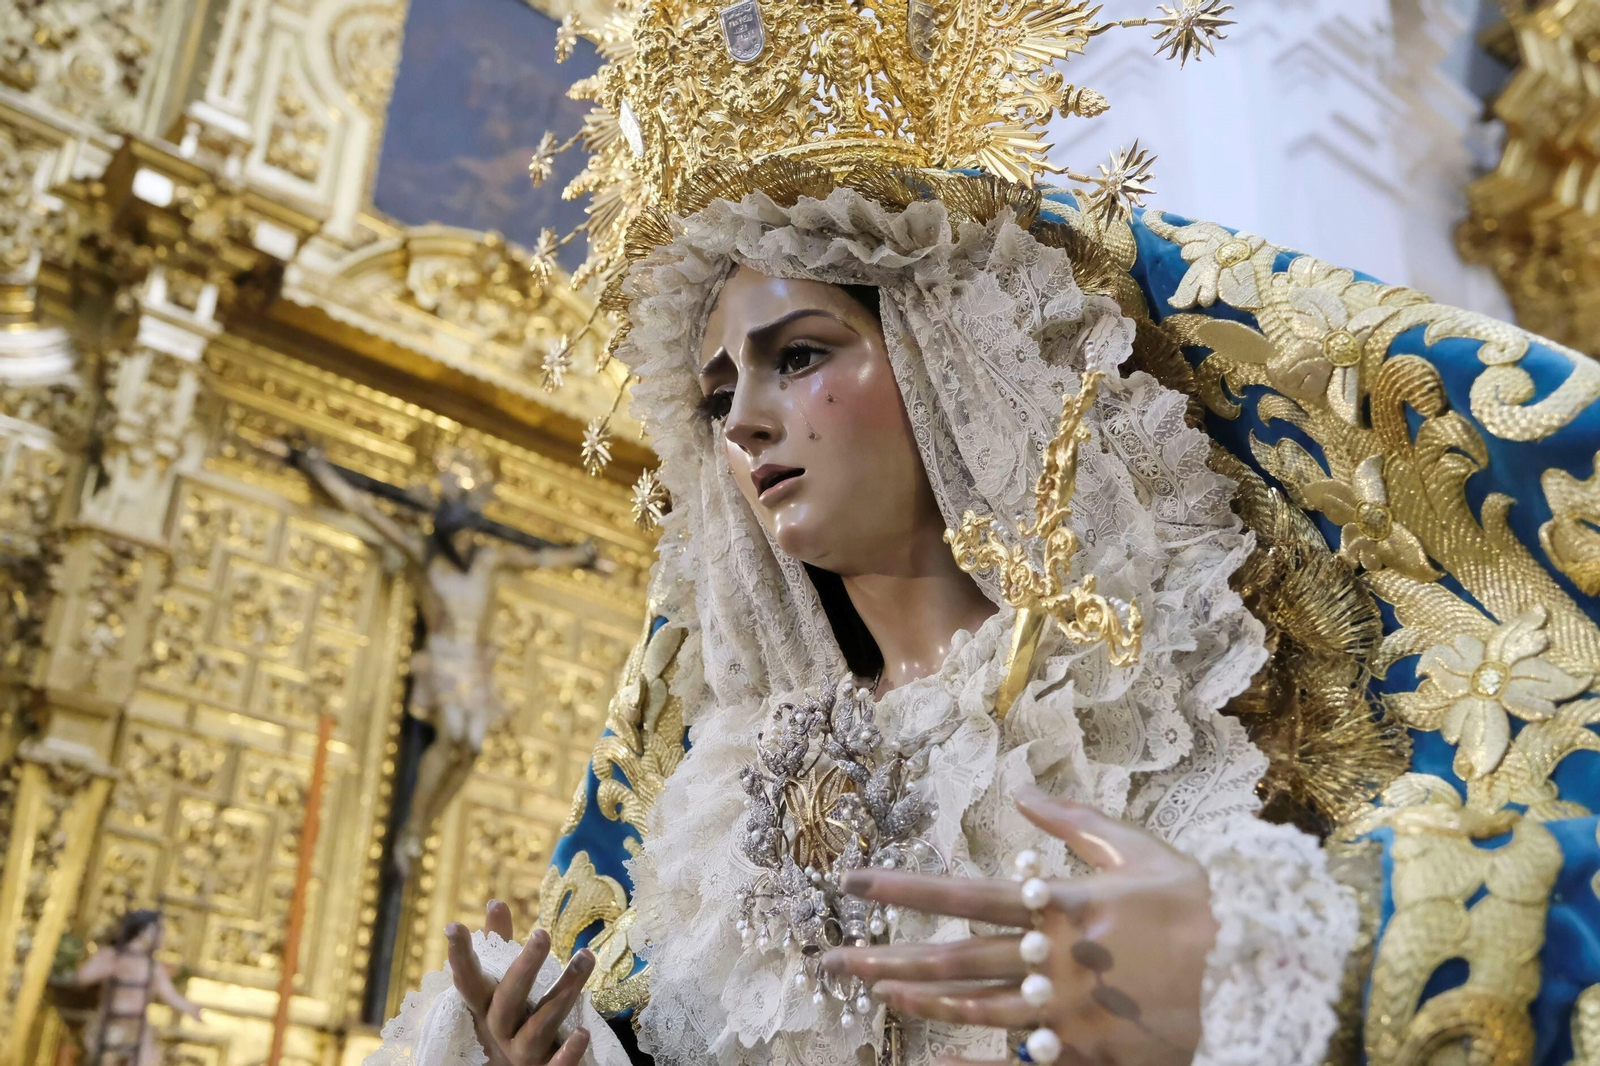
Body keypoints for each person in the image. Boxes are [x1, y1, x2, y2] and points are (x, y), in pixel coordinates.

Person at [367, 4, 1600, 1065]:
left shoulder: (1148, 687)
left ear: (949, 364)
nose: (743, 420)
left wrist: (1252, 975)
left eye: (799, 356)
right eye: (712, 397)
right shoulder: (719, 795)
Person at [265, 441, 607, 876]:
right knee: (451, 738)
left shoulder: (488, 559)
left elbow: (538, 558)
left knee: (470, 748)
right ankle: (411, 828)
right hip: (444, 659)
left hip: (474, 663)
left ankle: (423, 828)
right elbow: (364, 508)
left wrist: (581, 554)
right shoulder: (423, 553)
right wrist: (318, 468)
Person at [71, 910, 202, 1066]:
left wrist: (190, 1008)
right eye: (159, 930)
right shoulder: (114, 956)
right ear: (144, 930)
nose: (163, 937)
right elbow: (83, 978)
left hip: (138, 1027)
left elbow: (170, 995)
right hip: (113, 1022)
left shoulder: (153, 967)